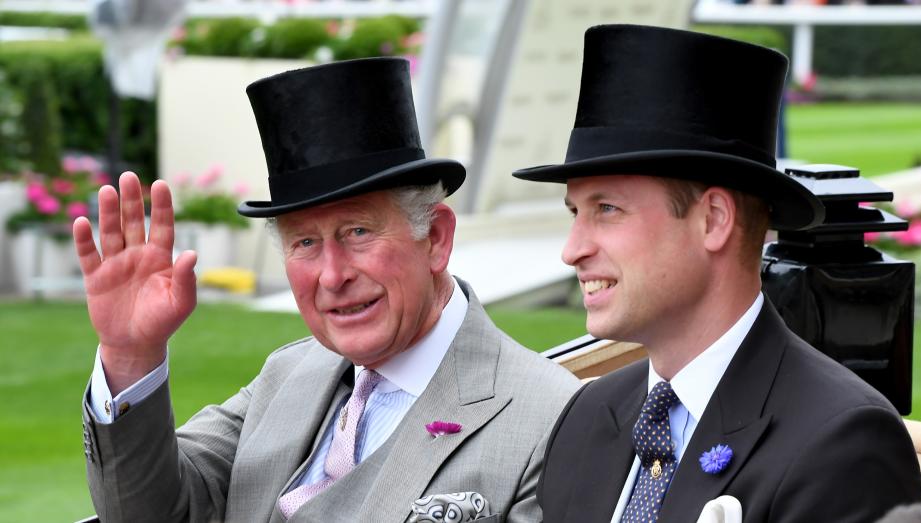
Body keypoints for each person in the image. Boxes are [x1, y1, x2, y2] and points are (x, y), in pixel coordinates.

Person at [75, 57, 579, 522]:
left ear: (436, 239)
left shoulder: (551, 419)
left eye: (358, 232)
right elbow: (149, 513)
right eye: (306, 243)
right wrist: (130, 354)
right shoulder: (286, 376)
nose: (332, 275)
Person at [512, 25, 921, 522]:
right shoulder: (589, 415)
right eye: (573, 213)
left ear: (713, 220)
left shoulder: (839, 443)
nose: (572, 249)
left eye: (607, 209)